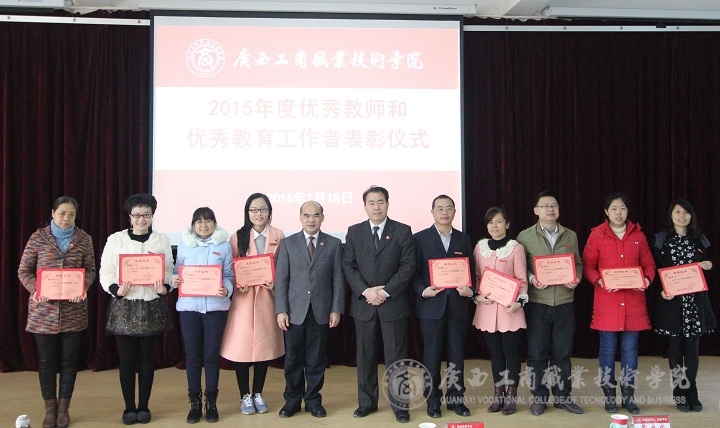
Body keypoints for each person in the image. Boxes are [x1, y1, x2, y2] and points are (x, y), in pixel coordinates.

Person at [18, 196, 97, 428]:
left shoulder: (84, 239)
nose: (66, 218)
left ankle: (64, 410)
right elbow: (24, 270)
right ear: (53, 213)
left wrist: (83, 287)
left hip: (74, 311)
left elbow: (91, 270)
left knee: (69, 362)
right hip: (43, 312)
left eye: (71, 214)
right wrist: (36, 289)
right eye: (62, 213)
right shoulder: (38, 237)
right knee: (46, 362)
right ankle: (50, 410)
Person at [342, 185, 415, 424]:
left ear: (388, 204)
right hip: (364, 305)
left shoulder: (402, 231)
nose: (376, 207)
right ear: (364, 206)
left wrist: (384, 292)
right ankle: (366, 403)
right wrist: (366, 291)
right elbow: (348, 266)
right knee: (365, 357)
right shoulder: (354, 232)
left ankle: (400, 406)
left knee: (397, 358)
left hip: (393, 304)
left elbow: (408, 266)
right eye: (371, 203)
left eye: (380, 202)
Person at [99, 193, 175, 425]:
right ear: (130, 217)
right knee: (127, 360)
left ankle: (144, 406)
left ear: (152, 216)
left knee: (147, 360)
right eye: (137, 215)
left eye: (146, 215)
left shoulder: (161, 240)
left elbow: (169, 270)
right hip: (125, 306)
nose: (142, 219)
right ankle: (129, 407)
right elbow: (106, 272)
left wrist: (165, 287)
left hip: (151, 305)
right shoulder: (116, 239)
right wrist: (116, 289)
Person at [582, 192, 655, 415]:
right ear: (606, 212)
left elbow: (649, 265)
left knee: (630, 352)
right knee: (607, 350)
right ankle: (609, 396)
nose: (618, 213)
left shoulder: (638, 236)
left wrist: (646, 280)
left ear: (627, 211)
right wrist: (599, 280)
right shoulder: (597, 235)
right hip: (608, 303)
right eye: (613, 208)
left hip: (633, 304)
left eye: (622, 208)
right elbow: (587, 266)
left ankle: (629, 396)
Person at [516, 191, 584, 416]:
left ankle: (563, 397)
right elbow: (519, 268)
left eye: (553, 205)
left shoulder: (570, 235)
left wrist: (576, 278)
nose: (550, 209)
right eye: (544, 206)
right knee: (537, 354)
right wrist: (532, 279)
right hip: (538, 303)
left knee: (562, 354)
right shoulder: (525, 236)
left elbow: (578, 264)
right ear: (536, 210)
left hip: (564, 302)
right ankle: (539, 397)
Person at [274, 201, 345, 418]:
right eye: (306, 215)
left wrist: (336, 309)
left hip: (321, 311)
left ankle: (313, 401)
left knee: (316, 360)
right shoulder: (287, 244)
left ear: (322, 217)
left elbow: (338, 280)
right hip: (294, 312)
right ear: (300, 217)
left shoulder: (333, 244)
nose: (311, 219)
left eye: (315, 215)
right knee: (293, 360)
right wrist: (281, 310)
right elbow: (281, 280)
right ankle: (292, 401)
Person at [220, 193, 285, 415]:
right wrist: (238, 285)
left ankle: (258, 393)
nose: (259, 214)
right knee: (242, 349)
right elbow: (230, 270)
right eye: (254, 210)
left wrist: (275, 283)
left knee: (263, 349)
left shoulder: (278, 235)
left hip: (267, 299)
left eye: (263, 209)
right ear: (247, 213)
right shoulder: (237, 236)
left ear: (269, 212)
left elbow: (283, 267)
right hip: (244, 301)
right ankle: (244, 395)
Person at [413, 195, 474, 419]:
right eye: (440, 208)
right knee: (431, 356)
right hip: (431, 307)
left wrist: (470, 289)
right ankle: (433, 402)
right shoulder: (419, 238)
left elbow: (471, 271)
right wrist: (422, 290)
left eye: (449, 208)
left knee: (457, 355)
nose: (444, 212)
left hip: (457, 307)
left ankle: (456, 400)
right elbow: (413, 273)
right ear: (432, 212)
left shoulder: (464, 239)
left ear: (455, 212)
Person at [651, 199, 716, 412]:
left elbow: (711, 265)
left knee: (692, 348)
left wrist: (710, 265)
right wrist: (661, 291)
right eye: (677, 212)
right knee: (675, 348)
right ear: (671, 215)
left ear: (691, 216)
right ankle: (679, 391)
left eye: (686, 212)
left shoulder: (700, 239)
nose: (682, 216)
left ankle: (692, 390)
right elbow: (654, 270)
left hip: (695, 302)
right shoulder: (661, 239)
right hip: (672, 303)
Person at [171, 207, 234, 424]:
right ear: (193, 225)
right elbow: (177, 271)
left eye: (208, 221)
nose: (203, 225)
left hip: (216, 309)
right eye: (199, 221)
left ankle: (211, 402)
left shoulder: (224, 246)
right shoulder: (183, 245)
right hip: (189, 309)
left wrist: (227, 288)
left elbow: (229, 275)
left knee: (212, 357)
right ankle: (195, 403)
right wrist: (174, 280)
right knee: (193, 357)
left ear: (215, 224)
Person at [472, 207, 528, 416]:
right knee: (495, 354)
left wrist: (519, 302)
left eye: (498, 221)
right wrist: (477, 296)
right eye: (490, 222)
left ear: (507, 224)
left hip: (509, 310)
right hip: (487, 310)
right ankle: (498, 394)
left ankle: (511, 395)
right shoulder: (480, 247)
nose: (494, 226)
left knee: (511, 353)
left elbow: (522, 279)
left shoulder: (516, 248)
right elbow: (476, 277)